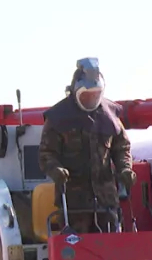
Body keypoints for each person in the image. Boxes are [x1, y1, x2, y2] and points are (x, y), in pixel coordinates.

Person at [38, 57, 136, 233]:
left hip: (106, 203)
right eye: (87, 95)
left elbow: (122, 148)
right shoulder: (58, 118)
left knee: (111, 250)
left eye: (95, 95)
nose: (91, 98)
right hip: (74, 205)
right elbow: (46, 154)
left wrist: (125, 169)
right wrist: (56, 170)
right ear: (76, 91)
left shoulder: (110, 116)